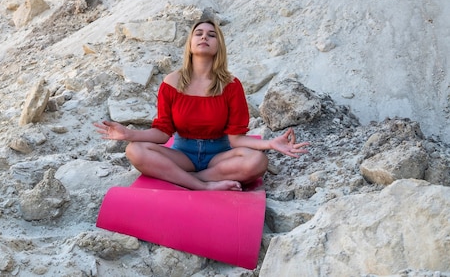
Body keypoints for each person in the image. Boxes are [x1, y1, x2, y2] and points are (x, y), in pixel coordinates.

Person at [94, 19, 309, 191]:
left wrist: (271, 143)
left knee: (257, 162)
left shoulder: (231, 85)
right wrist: (128, 134)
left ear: (218, 46)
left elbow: (236, 139)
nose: (204, 36)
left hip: (219, 157)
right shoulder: (171, 82)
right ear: (190, 43)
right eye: (199, 33)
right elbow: (162, 133)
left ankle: (187, 180)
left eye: (211, 34)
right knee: (135, 150)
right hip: (182, 155)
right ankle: (202, 185)